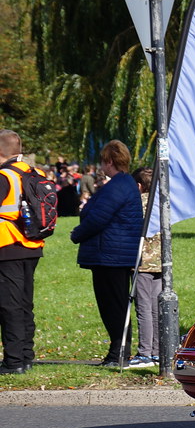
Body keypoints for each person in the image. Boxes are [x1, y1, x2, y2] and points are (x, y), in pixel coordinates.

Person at [70, 140, 143, 368]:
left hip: (111, 254)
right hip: (113, 252)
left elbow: (98, 218)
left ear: (109, 161)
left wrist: (77, 234)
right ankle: (118, 351)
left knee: (113, 306)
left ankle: (117, 353)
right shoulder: (123, 183)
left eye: (103, 160)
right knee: (115, 305)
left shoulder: (118, 186)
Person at [0, 129, 45, 374]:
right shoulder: (35, 172)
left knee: (10, 305)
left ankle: (13, 362)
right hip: (33, 244)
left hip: (7, 246)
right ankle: (27, 355)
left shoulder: (4, 176)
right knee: (25, 303)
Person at [130, 168, 160, 367]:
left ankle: (145, 353)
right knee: (157, 308)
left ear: (139, 186)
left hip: (142, 263)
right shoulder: (161, 205)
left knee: (144, 308)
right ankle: (158, 351)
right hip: (161, 262)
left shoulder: (136, 205)